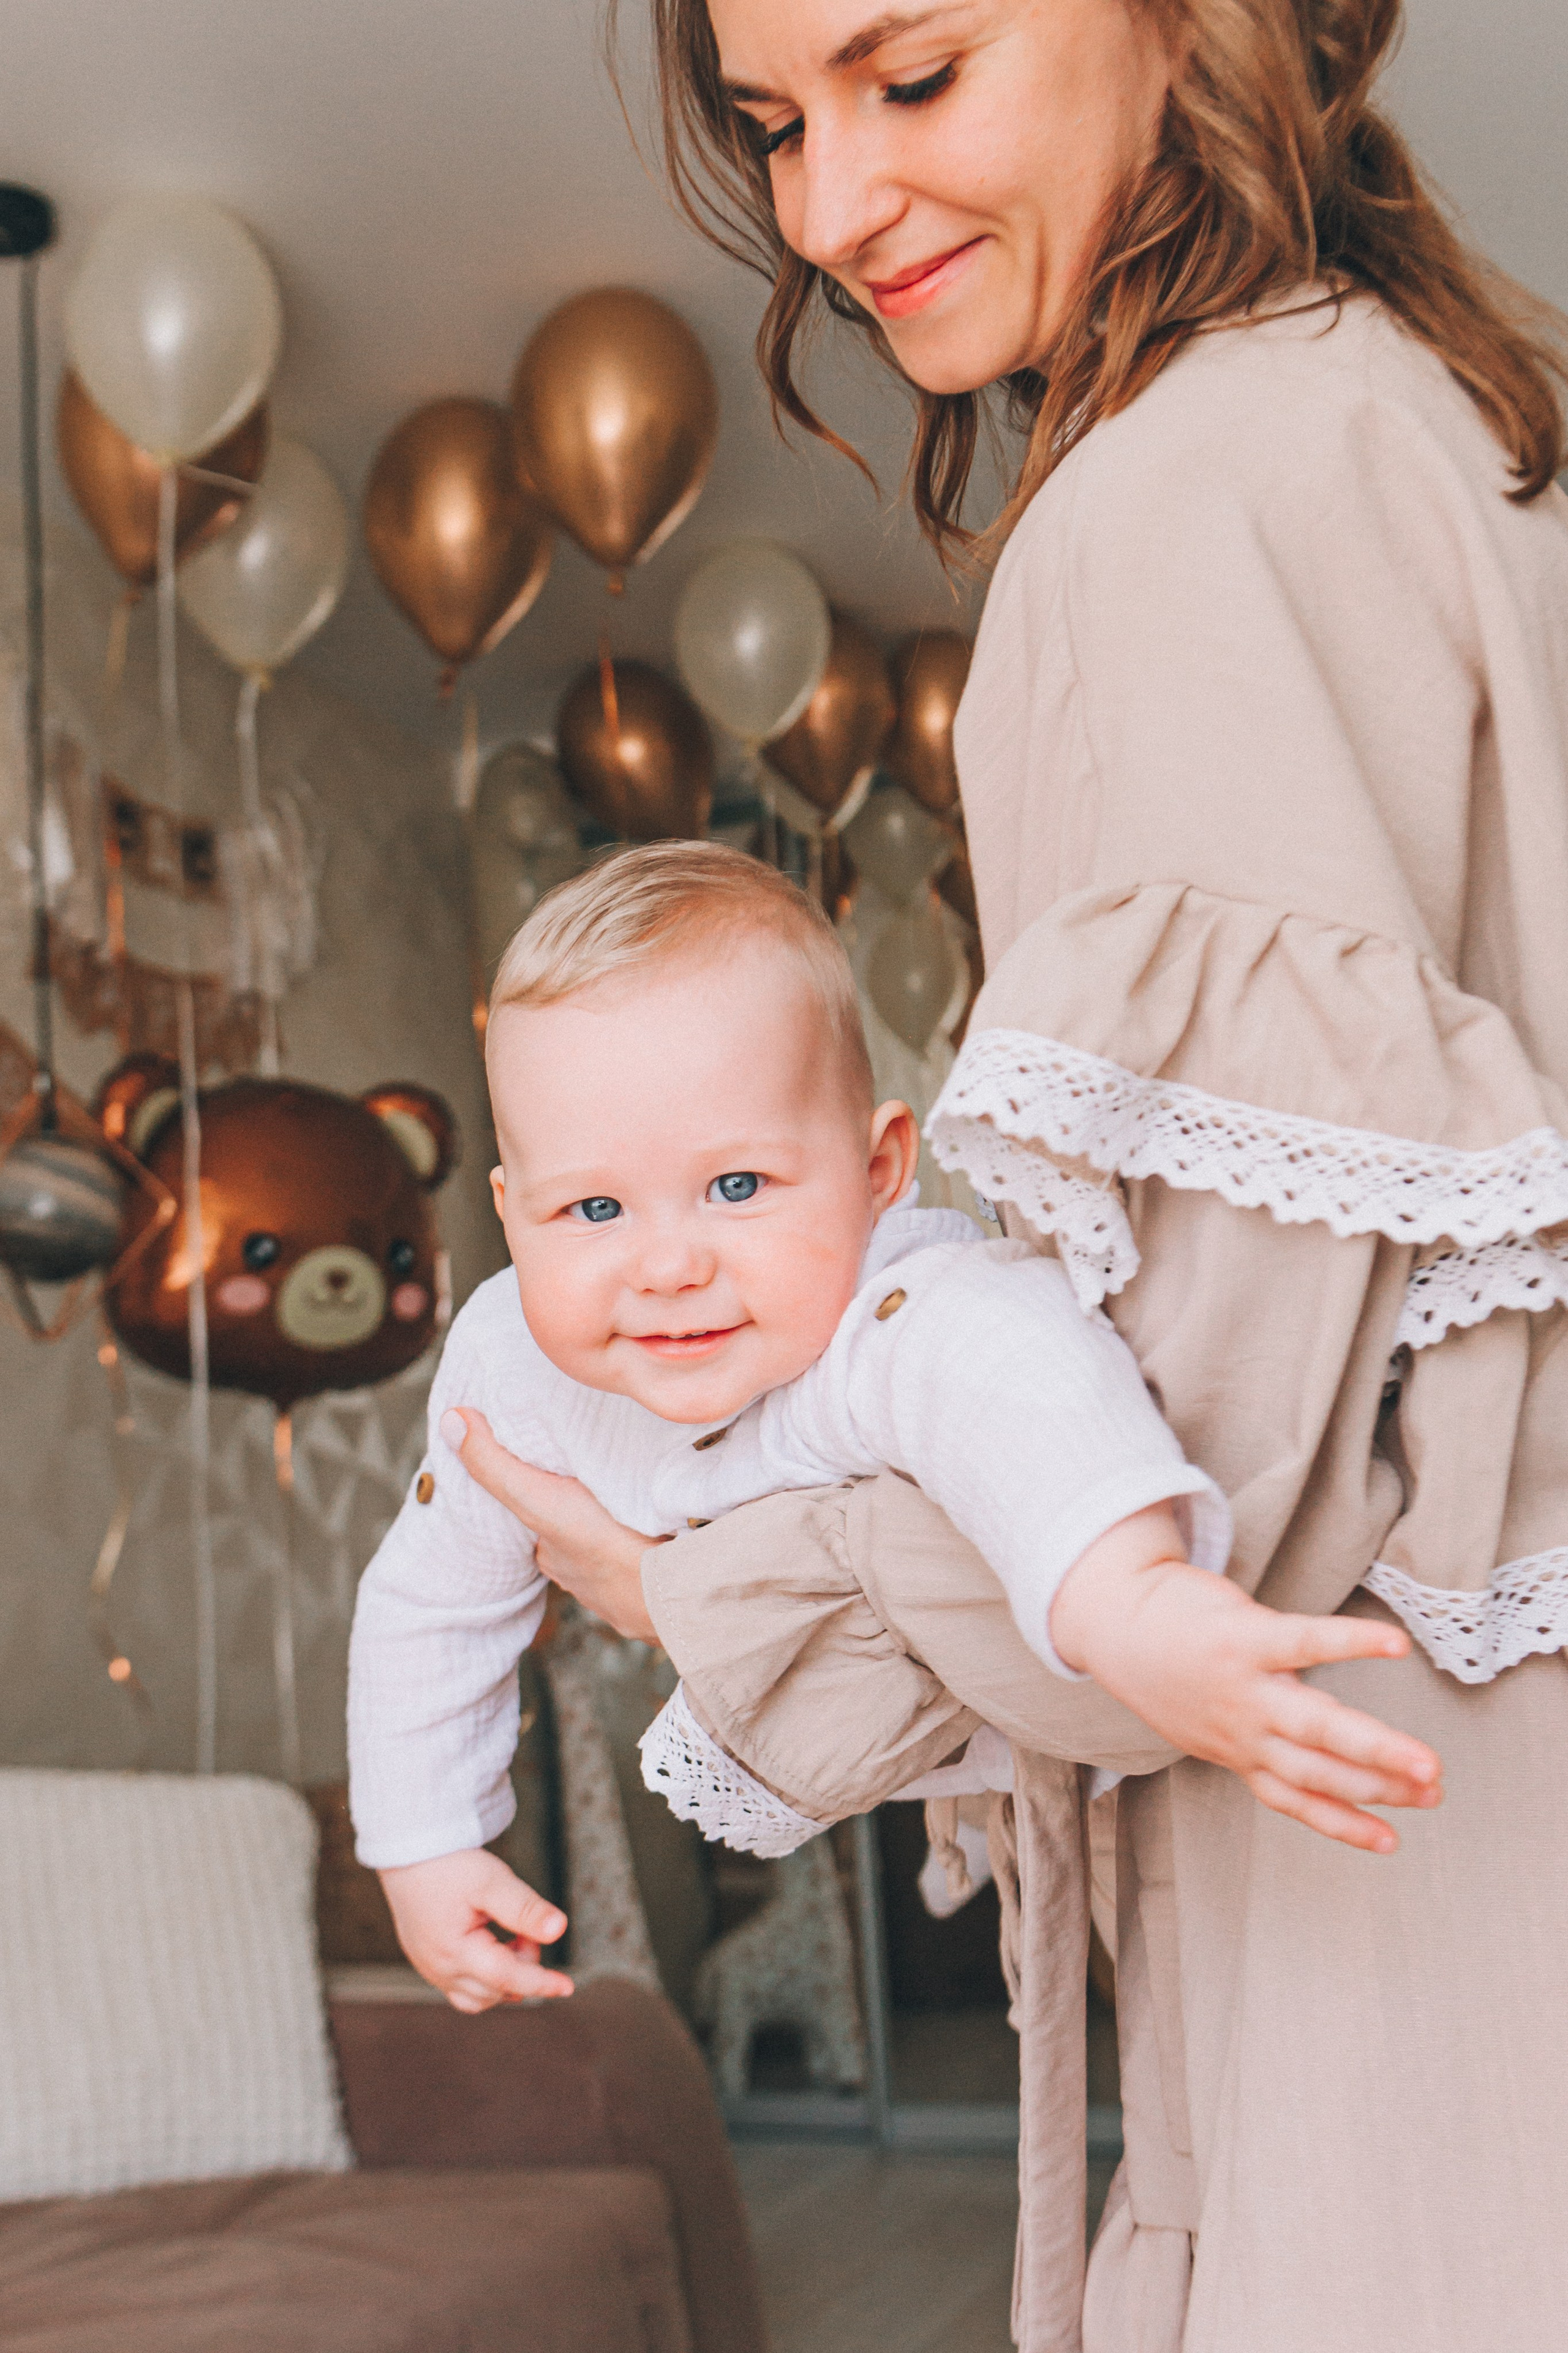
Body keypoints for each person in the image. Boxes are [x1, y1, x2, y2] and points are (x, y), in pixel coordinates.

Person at [443, 2, 1568, 2347]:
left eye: (912, 76)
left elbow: (1204, 1525)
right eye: (775, 122)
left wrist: (701, 1582)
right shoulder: (1458, 434)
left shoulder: (1177, 504)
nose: (831, 209)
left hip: (1419, 1905)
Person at [349, 841, 1441, 2010]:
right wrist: (422, 1842)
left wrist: (1137, 1606)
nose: (668, 1265)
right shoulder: (510, 1364)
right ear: (512, 1217)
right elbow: (433, 1596)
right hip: (821, 1706)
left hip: (1006, 1708)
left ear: (879, 1171)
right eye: (595, 1207)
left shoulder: (905, 1309)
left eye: (737, 1187)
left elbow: (1028, 1407)